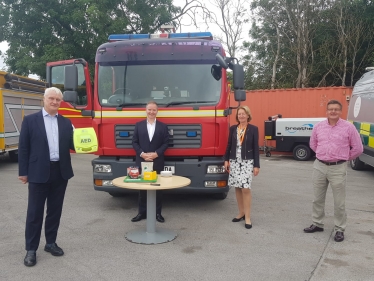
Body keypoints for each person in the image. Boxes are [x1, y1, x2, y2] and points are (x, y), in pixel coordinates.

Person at [18, 87, 75, 267]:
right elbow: (24, 148)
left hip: (60, 172)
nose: (54, 102)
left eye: (58, 99)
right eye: (51, 98)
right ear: (44, 99)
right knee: (35, 212)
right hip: (38, 172)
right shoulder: (30, 121)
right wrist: (23, 172)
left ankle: (50, 243)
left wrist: (87, 139)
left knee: (54, 211)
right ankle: (31, 249)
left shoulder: (66, 123)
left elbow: (74, 144)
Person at [303, 100, 363, 242]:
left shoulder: (349, 128)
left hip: (338, 167)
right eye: (330, 109)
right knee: (317, 198)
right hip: (319, 166)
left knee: (339, 201)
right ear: (326, 111)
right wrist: (322, 154)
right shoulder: (319, 127)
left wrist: (344, 158)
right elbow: (313, 143)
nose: (333, 111)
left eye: (336, 109)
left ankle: (339, 229)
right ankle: (317, 223)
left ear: (340, 111)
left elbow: (358, 148)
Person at [131, 101, 169, 223]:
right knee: (142, 188)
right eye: (149, 110)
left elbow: (166, 143)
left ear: (157, 111)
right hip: (142, 160)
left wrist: (156, 154)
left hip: (157, 161)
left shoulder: (163, 127)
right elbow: (134, 142)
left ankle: (158, 213)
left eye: (154, 110)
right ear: (146, 111)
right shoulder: (139, 125)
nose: (151, 112)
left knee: (157, 188)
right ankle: (142, 213)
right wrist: (142, 154)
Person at [224, 106, 260, 229]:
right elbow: (229, 145)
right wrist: (226, 160)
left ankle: (248, 217)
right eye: (239, 114)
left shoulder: (254, 129)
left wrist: (256, 165)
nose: (241, 116)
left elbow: (256, 148)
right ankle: (241, 213)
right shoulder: (233, 129)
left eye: (243, 114)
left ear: (248, 115)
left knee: (246, 188)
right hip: (234, 161)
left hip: (247, 162)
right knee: (238, 187)